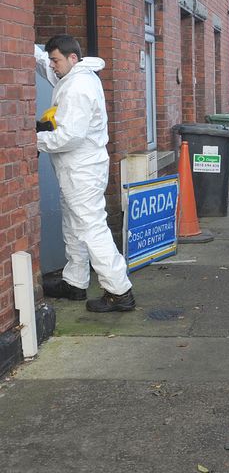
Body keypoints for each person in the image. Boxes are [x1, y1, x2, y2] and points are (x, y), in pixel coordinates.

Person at [35, 35, 136, 313]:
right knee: (74, 225)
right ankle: (75, 282)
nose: (52, 66)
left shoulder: (78, 86)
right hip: (78, 168)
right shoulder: (74, 75)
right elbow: (46, 66)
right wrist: (30, 50)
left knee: (91, 228)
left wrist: (36, 140)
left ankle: (119, 290)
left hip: (81, 168)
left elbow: (70, 136)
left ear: (72, 58)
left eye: (56, 60)